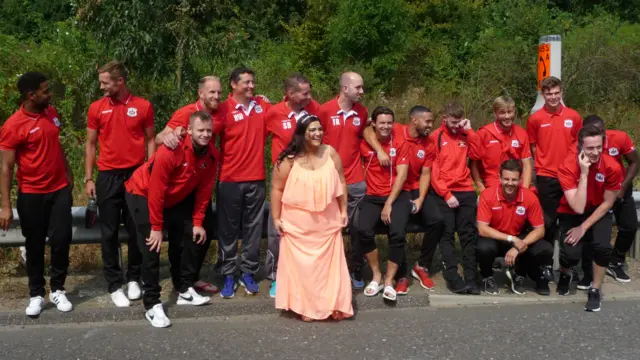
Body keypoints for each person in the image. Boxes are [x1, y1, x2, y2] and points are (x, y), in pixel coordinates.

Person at [124, 111, 219, 327]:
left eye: (208, 131)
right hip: (143, 192)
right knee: (152, 245)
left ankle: (184, 288)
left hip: (173, 197)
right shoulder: (171, 151)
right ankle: (152, 304)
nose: (205, 135)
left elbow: (205, 190)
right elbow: (156, 190)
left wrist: (197, 222)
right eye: (200, 130)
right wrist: (156, 227)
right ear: (189, 130)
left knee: (189, 236)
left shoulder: (212, 154)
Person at [0, 72, 74, 316]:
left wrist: (69, 173)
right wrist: (6, 206)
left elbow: (57, 144)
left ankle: (58, 289)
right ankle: (36, 294)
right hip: (31, 194)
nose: (49, 94)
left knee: (62, 238)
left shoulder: (51, 113)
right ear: (31, 95)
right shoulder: (13, 125)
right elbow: (6, 167)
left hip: (59, 189)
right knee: (34, 246)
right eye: (45, 90)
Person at [85, 61, 155, 307]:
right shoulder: (96, 108)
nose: (101, 87)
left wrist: (150, 169)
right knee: (109, 232)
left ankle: (134, 278)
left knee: (137, 229)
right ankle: (114, 284)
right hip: (107, 176)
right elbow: (91, 144)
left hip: (136, 174)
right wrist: (88, 177)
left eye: (105, 82)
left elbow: (150, 139)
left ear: (120, 82)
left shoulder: (143, 106)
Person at [271, 114, 353, 322]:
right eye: (312, 130)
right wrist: (276, 218)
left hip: (328, 221)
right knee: (304, 269)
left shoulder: (331, 153)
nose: (317, 134)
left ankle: (333, 303)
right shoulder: (288, 160)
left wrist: (343, 211)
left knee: (329, 268)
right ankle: (305, 306)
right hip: (297, 224)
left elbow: (342, 183)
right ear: (302, 134)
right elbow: (277, 190)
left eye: (319, 129)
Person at [362, 105, 443, 294]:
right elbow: (368, 130)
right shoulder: (395, 128)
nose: (431, 125)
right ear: (415, 120)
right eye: (428, 121)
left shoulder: (429, 143)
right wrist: (379, 150)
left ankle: (421, 265)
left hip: (415, 188)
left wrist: (421, 199)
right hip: (400, 187)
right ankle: (402, 274)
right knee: (398, 225)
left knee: (438, 220)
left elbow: (425, 174)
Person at [154, 75, 222, 294]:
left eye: (219, 92)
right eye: (212, 92)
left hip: (200, 178)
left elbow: (243, 102)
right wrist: (170, 136)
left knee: (207, 227)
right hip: (178, 182)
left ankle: (191, 277)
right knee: (181, 233)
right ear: (200, 93)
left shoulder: (223, 110)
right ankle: (180, 282)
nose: (216, 96)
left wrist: (258, 99)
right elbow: (158, 138)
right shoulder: (185, 113)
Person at [215, 67, 271, 298]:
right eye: (246, 82)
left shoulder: (262, 106)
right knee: (227, 231)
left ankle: (248, 271)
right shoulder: (222, 109)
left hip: (256, 179)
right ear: (233, 85)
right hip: (229, 180)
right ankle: (228, 274)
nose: (251, 86)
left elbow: (289, 111)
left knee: (253, 230)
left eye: (252, 82)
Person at [265, 74, 320, 298]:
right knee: (278, 227)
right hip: (283, 178)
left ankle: (304, 274)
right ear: (290, 94)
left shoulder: (313, 109)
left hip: (308, 175)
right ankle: (276, 276)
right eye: (304, 93)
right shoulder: (273, 113)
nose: (309, 96)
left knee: (306, 226)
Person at [556, 125, 622, 312]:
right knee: (570, 254)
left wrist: (584, 227)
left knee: (602, 247)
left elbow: (608, 203)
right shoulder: (567, 166)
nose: (594, 152)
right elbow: (577, 207)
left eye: (598, 147)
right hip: (572, 209)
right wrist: (584, 174)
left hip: (598, 210)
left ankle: (595, 288)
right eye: (589, 148)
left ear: (604, 144)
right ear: (580, 147)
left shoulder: (613, 167)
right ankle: (565, 272)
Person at [317, 71, 368, 289]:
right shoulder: (325, 110)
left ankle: (355, 267)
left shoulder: (362, 112)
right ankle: (327, 271)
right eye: (358, 88)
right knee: (327, 228)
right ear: (345, 88)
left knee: (357, 228)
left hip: (355, 180)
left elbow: (366, 134)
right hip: (328, 178)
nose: (362, 92)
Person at [476, 159, 554, 296]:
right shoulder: (487, 195)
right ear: (499, 178)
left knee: (545, 249)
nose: (510, 183)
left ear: (520, 179)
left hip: (519, 238)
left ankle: (521, 274)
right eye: (506, 179)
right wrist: (511, 239)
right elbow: (482, 229)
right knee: (483, 248)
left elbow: (540, 230)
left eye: (514, 179)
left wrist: (519, 245)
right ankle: (487, 276)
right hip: (496, 238)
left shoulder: (530, 197)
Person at [357, 106, 410, 302]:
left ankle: (389, 280)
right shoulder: (366, 141)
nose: (386, 126)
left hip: (396, 196)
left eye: (389, 122)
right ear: (374, 124)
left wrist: (389, 203)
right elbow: (363, 130)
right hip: (372, 195)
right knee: (363, 229)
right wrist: (378, 150)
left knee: (397, 233)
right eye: (382, 123)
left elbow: (402, 175)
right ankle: (376, 275)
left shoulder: (401, 142)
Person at [578, 115, 638, 286]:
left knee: (630, 226)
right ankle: (588, 271)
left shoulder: (619, 138)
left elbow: (635, 162)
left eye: (602, 132)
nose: (600, 137)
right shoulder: (583, 146)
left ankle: (615, 261)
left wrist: (623, 188)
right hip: (597, 193)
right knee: (590, 234)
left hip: (619, 189)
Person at [430, 102, 483, 294]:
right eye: (452, 122)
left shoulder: (465, 134)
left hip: (466, 190)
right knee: (447, 234)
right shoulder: (436, 137)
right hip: (444, 192)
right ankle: (453, 277)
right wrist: (446, 194)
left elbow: (478, 154)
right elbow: (433, 172)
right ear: (445, 119)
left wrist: (470, 131)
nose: (455, 126)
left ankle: (471, 278)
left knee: (468, 235)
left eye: (458, 122)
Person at [526, 77, 583, 246]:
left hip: (570, 176)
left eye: (556, 93)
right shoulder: (535, 119)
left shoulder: (573, 116)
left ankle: (567, 265)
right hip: (546, 176)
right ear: (543, 95)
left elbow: (579, 144)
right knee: (547, 222)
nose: (553, 97)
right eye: (549, 93)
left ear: (562, 93)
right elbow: (533, 147)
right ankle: (546, 263)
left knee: (570, 220)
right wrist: (541, 166)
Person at [471, 96, 533, 191]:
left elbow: (527, 165)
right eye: (502, 112)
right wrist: (481, 187)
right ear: (495, 113)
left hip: (516, 183)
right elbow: (473, 164)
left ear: (514, 112)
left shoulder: (521, 133)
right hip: (493, 183)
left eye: (510, 112)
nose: (507, 116)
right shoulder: (483, 133)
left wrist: (525, 190)